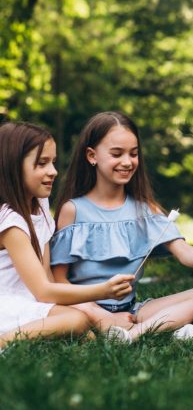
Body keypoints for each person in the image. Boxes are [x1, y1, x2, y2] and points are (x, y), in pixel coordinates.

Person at [51, 111, 193, 342]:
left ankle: (133, 333)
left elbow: (183, 251)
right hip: (83, 307)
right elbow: (59, 281)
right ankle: (160, 328)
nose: (127, 162)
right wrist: (98, 315)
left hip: (131, 310)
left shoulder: (145, 208)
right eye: (117, 154)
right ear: (92, 156)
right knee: (76, 318)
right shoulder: (73, 210)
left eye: (133, 154)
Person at [0, 122, 134, 349]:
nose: (53, 171)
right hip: (7, 303)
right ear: (12, 167)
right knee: (76, 321)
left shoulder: (40, 204)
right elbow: (43, 290)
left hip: (28, 299)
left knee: (84, 332)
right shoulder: (11, 222)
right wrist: (103, 291)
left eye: (52, 162)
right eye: (42, 163)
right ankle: (3, 342)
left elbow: (47, 276)